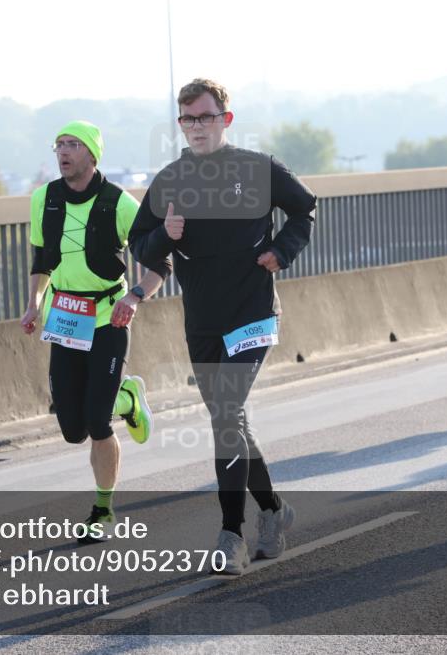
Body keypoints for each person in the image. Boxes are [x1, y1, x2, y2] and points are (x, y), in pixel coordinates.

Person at [129, 79, 317, 574]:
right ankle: (275, 512)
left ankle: (230, 534)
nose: (197, 127)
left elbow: (305, 208)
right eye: (188, 119)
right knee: (228, 422)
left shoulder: (258, 169)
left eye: (206, 117)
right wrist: (162, 237)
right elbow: (139, 243)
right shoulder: (170, 180)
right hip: (204, 322)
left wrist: (283, 250)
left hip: (253, 314)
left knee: (228, 414)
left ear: (225, 120)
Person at [21, 120, 169, 543]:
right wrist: (33, 303)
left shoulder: (119, 204)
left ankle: (102, 509)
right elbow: (41, 257)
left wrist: (135, 296)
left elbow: (160, 261)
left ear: (92, 154)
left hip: (107, 318)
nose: (63, 152)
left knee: (97, 422)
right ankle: (128, 396)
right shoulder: (43, 199)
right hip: (64, 317)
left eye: (73, 145)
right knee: (72, 429)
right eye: (59, 144)